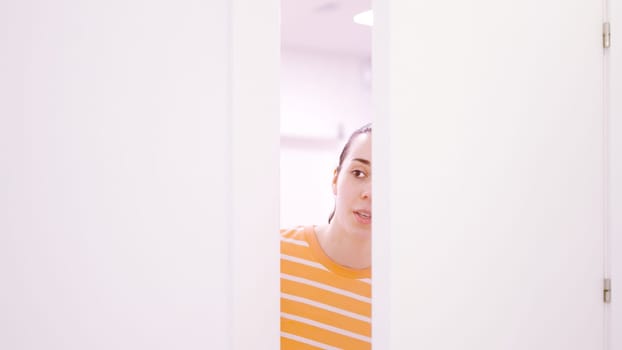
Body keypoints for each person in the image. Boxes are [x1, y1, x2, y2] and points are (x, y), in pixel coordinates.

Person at [280, 123, 372, 349]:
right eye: (358, 173)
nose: (370, 193)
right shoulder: (274, 252)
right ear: (335, 179)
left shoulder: (400, 296)